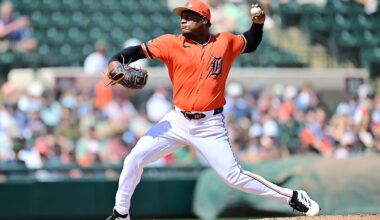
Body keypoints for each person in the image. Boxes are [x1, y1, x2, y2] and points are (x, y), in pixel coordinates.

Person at [104, 1, 320, 219]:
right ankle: (121, 213)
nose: (183, 19)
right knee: (134, 158)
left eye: (190, 15)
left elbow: (251, 42)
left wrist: (258, 24)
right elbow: (135, 51)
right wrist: (115, 61)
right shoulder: (170, 43)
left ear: (205, 20)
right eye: (182, 16)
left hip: (209, 125)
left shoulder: (224, 42)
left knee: (233, 177)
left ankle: (293, 197)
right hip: (177, 121)